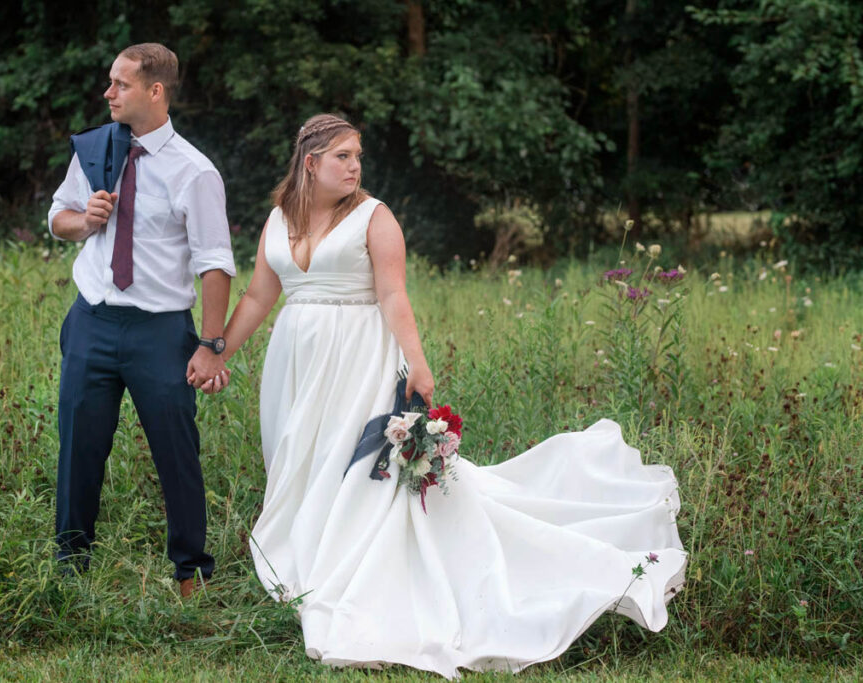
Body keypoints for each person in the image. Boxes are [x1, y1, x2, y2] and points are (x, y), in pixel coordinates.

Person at [207, 113, 686, 677]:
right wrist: (218, 350)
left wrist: (419, 362)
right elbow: (261, 297)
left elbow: (393, 295)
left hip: (360, 356)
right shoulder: (276, 219)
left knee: (353, 466)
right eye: (342, 156)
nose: (354, 165)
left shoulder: (374, 217)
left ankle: (345, 570)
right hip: (296, 360)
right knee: (299, 459)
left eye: (358, 154)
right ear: (310, 162)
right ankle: (305, 552)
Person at [47, 43, 235, 596]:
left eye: (120, 84)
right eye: (110, 82)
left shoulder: (195, 171)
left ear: (156, 91)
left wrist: (212, 343)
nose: (108, 93)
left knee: (177, 452)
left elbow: (215, 263)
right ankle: (70, 570)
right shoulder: (92, 149)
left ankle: (191, 574)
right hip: (92, 321)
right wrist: (85, 221)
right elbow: (58, 218)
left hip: (160, 332)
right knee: (78, 446)